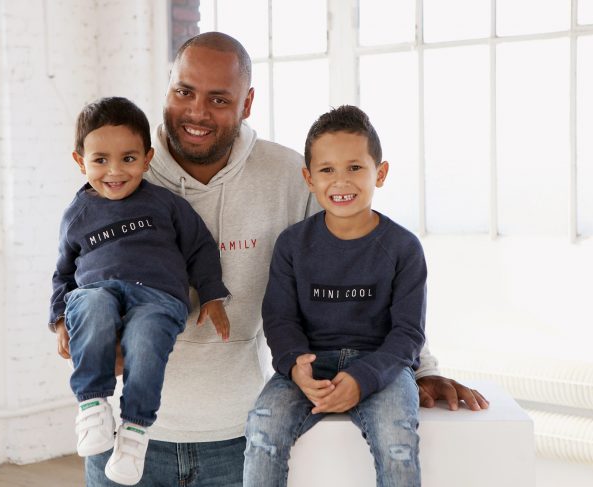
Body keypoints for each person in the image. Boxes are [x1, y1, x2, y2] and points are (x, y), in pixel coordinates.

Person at [56, 32, 488, 487]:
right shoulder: (119, 169)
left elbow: (362, 258)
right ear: (168, 88)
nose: (197, 111)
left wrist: (422, 367)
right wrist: (69, 324)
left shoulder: (289, 176)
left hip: (236, 436)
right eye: (184, 91)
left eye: (219, 98)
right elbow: (76, 266)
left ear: (247, 103)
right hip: (124, 436)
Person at [49, 97, 231, 486]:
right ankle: (93, 405)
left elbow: (200, 246)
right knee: (92, 304)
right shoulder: (77, 215)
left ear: (147, 158)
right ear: (80, 161)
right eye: (100, 160)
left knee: (147, 338)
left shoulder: (165, 204)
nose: (115, 171)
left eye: (128, 159)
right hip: (97, 293)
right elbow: (64, 272)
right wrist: (60, 320)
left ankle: (134, 433)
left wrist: (213, 296)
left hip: (158, 298)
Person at [244, 105, 425, 486]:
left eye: (355, 168)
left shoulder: (403, 247)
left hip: (381, 368)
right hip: (308, 368)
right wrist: (296, 366)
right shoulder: (292, 245)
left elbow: (408, 335)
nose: (341, 182)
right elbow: (279, 318)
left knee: (398, 442)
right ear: (309, 179)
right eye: (327, 170)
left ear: (381, 172)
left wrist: (363, 379)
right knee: (262, 430)